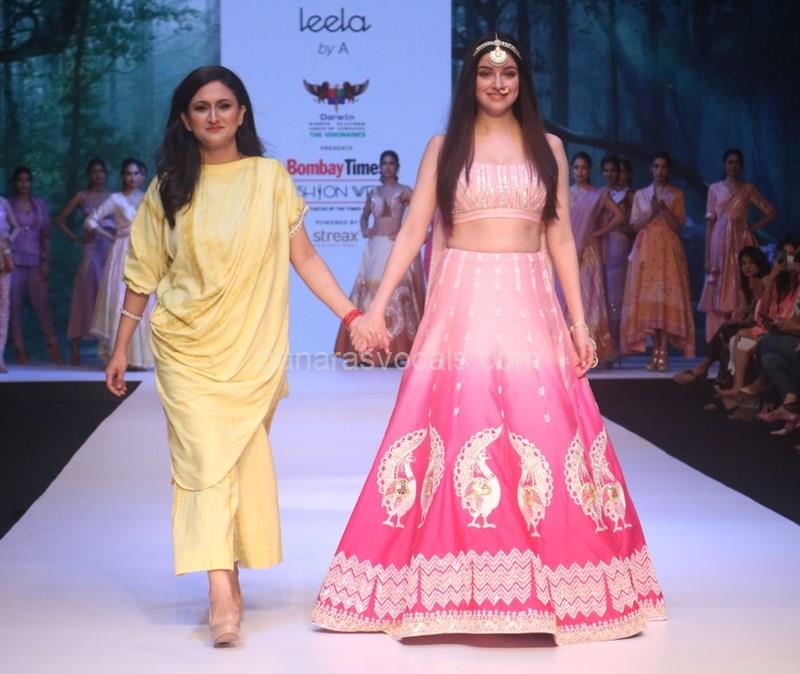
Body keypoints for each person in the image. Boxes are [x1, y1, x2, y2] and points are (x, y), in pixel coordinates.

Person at [312, 33, 665, 644]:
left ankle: (563, 581)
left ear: (521, 81)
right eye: (485, 73)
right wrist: (376, 308)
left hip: (530, 298)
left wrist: (580, 323)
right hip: (463, 299)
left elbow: (559, 238)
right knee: (460, 423)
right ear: (470, 81)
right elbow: (415, 230)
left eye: (508, 73)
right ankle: (448, 582)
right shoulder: (444, 147)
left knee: (545, 425)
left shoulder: (547, 147)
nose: (497, 83)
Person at [104, 66, 365, 647]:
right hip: (185, 347)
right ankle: (221, 588)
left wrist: (352, 316)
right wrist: (121, 345)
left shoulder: (270, 179)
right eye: (201, 107)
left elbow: (306, 259)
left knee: (236, 464)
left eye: (224, 105)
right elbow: (144, 273)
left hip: (251, 351)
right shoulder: (168, 187)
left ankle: (229, 570)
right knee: (202, 461)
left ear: (242, 114)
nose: (214, 116)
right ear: (184, 119)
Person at [334, 150, 424, 365]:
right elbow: (364, 217)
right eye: (384, 163)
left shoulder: (405, 191)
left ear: (397, 166)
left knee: (396, 294)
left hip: (395, 247)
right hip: (375, 248)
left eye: (392, 163)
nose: (388, 167)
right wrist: (366, 230)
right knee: (369, 295)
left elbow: (421, 215)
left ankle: (398, 351)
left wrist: (404, 232)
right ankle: (366, 350)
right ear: (380, 167)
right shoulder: (373, 193)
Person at [621, 152, 694, 371]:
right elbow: (634, 225)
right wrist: (652, 212)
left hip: (668, 250)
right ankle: (654, 352)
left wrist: (664, 209)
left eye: (664, 167)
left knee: (664, 299)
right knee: (650, 301)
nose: (660, 171)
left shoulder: (677, 195)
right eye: (656, 166)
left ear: (668, 170)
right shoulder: (641, 195)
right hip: (646, 249)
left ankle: (663, 352)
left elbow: (678, 226)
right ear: (650, 169)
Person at [698, 148, 776, 339]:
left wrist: (752, 227)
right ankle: (718, 337)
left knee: (741, 279)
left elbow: (771, 211)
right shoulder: (714, 188)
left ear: (741, 165)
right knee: (719, 283)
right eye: (730, 162)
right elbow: (710, 222)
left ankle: (740, 328)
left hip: (741, 239)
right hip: (719, 241)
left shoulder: (747, 188)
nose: (733, 166)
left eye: (737, 162)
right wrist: (707, 256)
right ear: (724, 164)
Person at [85, 158, 154, 369]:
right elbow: (91, 220)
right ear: (123, 176)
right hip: (121, 251)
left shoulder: (149, 198)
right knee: (120, 299)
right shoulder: (116, 199)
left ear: (143, 175)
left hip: (143, 252)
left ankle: (140, 358)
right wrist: (111, 235)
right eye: (128, 174)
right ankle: (119, 355)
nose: (132, 178)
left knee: (143, 300)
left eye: (136, 173)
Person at [674, 246, 770, 386]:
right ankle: (722, 385)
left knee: (726, 330)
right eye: (743, 263)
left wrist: (758, 292)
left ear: (759, 263)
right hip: (751, 322)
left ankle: (703, 369)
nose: (747, 267)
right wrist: (736, 319)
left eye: (751, 262)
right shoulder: (745, 282)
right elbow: (743, 310)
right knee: (726, 335)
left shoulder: (767, 280)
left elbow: (767, 309)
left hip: (763, 324)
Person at [55, 158, 115, 365]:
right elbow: (59, 220)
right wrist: (76, 238)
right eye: (94, 171)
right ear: (89, 174)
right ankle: (74, 345)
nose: (98, 175)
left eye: (101, 171)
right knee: (84, 295)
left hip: (109, 249)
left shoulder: (113, 197)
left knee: (108, 296)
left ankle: (109, 348)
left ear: (106, 174)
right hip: (90, 250)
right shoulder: (82, 196)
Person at [569, 151, 623, 364]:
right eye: (576, 167)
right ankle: (570, 349)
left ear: (590, 170)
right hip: (569, 251)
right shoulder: (565, 193)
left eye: (584, 168)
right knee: (569, 296)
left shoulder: (596, 194)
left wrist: (598, 232)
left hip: (589, 252)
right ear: (571, 170)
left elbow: (619, 216)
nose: (580, 171)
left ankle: (594, 348)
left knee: (591, 297)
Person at [7, 167, 63, 364]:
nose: (23, 184)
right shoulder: (8, 204)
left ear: (31, 183)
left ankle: (53, 345)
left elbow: (46, 235)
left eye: (27, 180)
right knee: (14, 306)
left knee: (42, 305)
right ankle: (20, 349)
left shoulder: (39, 205)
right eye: (20, 180)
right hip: (12, 261)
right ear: (15, 183)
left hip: (35, 260)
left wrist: (45, 260)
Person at [599, 154, 634, 363]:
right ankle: (603, 344)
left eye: (615, 171)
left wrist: (615, 227)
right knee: (601, 294)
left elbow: (634, 224)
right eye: (608, 170)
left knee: (615, 296)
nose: (612, 175)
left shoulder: (628, 196)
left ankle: (617, 345)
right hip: (600, 245)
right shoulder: (599, 193)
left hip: (618, 244)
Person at [0, 196, 20, 372]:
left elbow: (16, 227)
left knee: (3, 306)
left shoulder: (3, 202)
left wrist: (9, 239)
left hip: (3, 254)